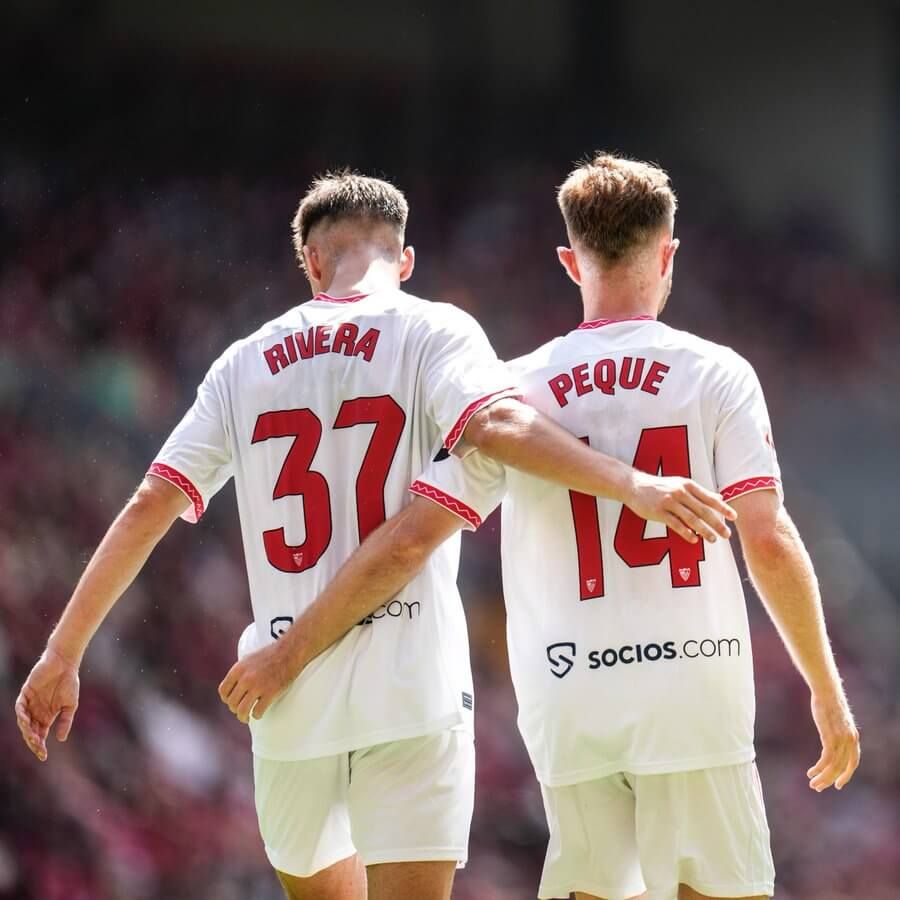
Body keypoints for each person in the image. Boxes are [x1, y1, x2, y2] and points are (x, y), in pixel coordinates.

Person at [15, 171, 735, 900]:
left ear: (312, 263)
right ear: (407, 259)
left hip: (286, 690)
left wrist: (61, 652)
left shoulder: (241, 364)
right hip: (409, 682)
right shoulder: (434, 329)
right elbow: (497, 426)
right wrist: (632, 483)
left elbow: (149, 505)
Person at [243, 155, 860, 900]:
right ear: (668, 254)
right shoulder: (716, 374)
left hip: (573, 701)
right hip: (691, 693)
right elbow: (765, 537)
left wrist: (292, 649)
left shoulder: (515, 390)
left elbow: (411, 538)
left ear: (571, 262)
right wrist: (826, 689)